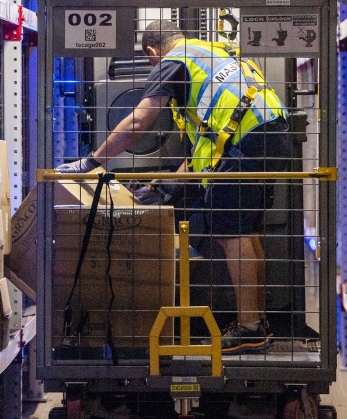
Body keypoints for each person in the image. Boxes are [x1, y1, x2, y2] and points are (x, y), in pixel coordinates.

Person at [57, 19, 292, 353]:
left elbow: (139, 121)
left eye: (151, 62)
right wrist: (165, 186)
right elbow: (205, 149)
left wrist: (94, 160)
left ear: (152, 51)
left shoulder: (173, 60)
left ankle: (250, 327)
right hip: (269, 133)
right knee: (244, 231)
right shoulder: (210, 52)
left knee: (231, 234)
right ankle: (256, 321)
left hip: (247, 141)